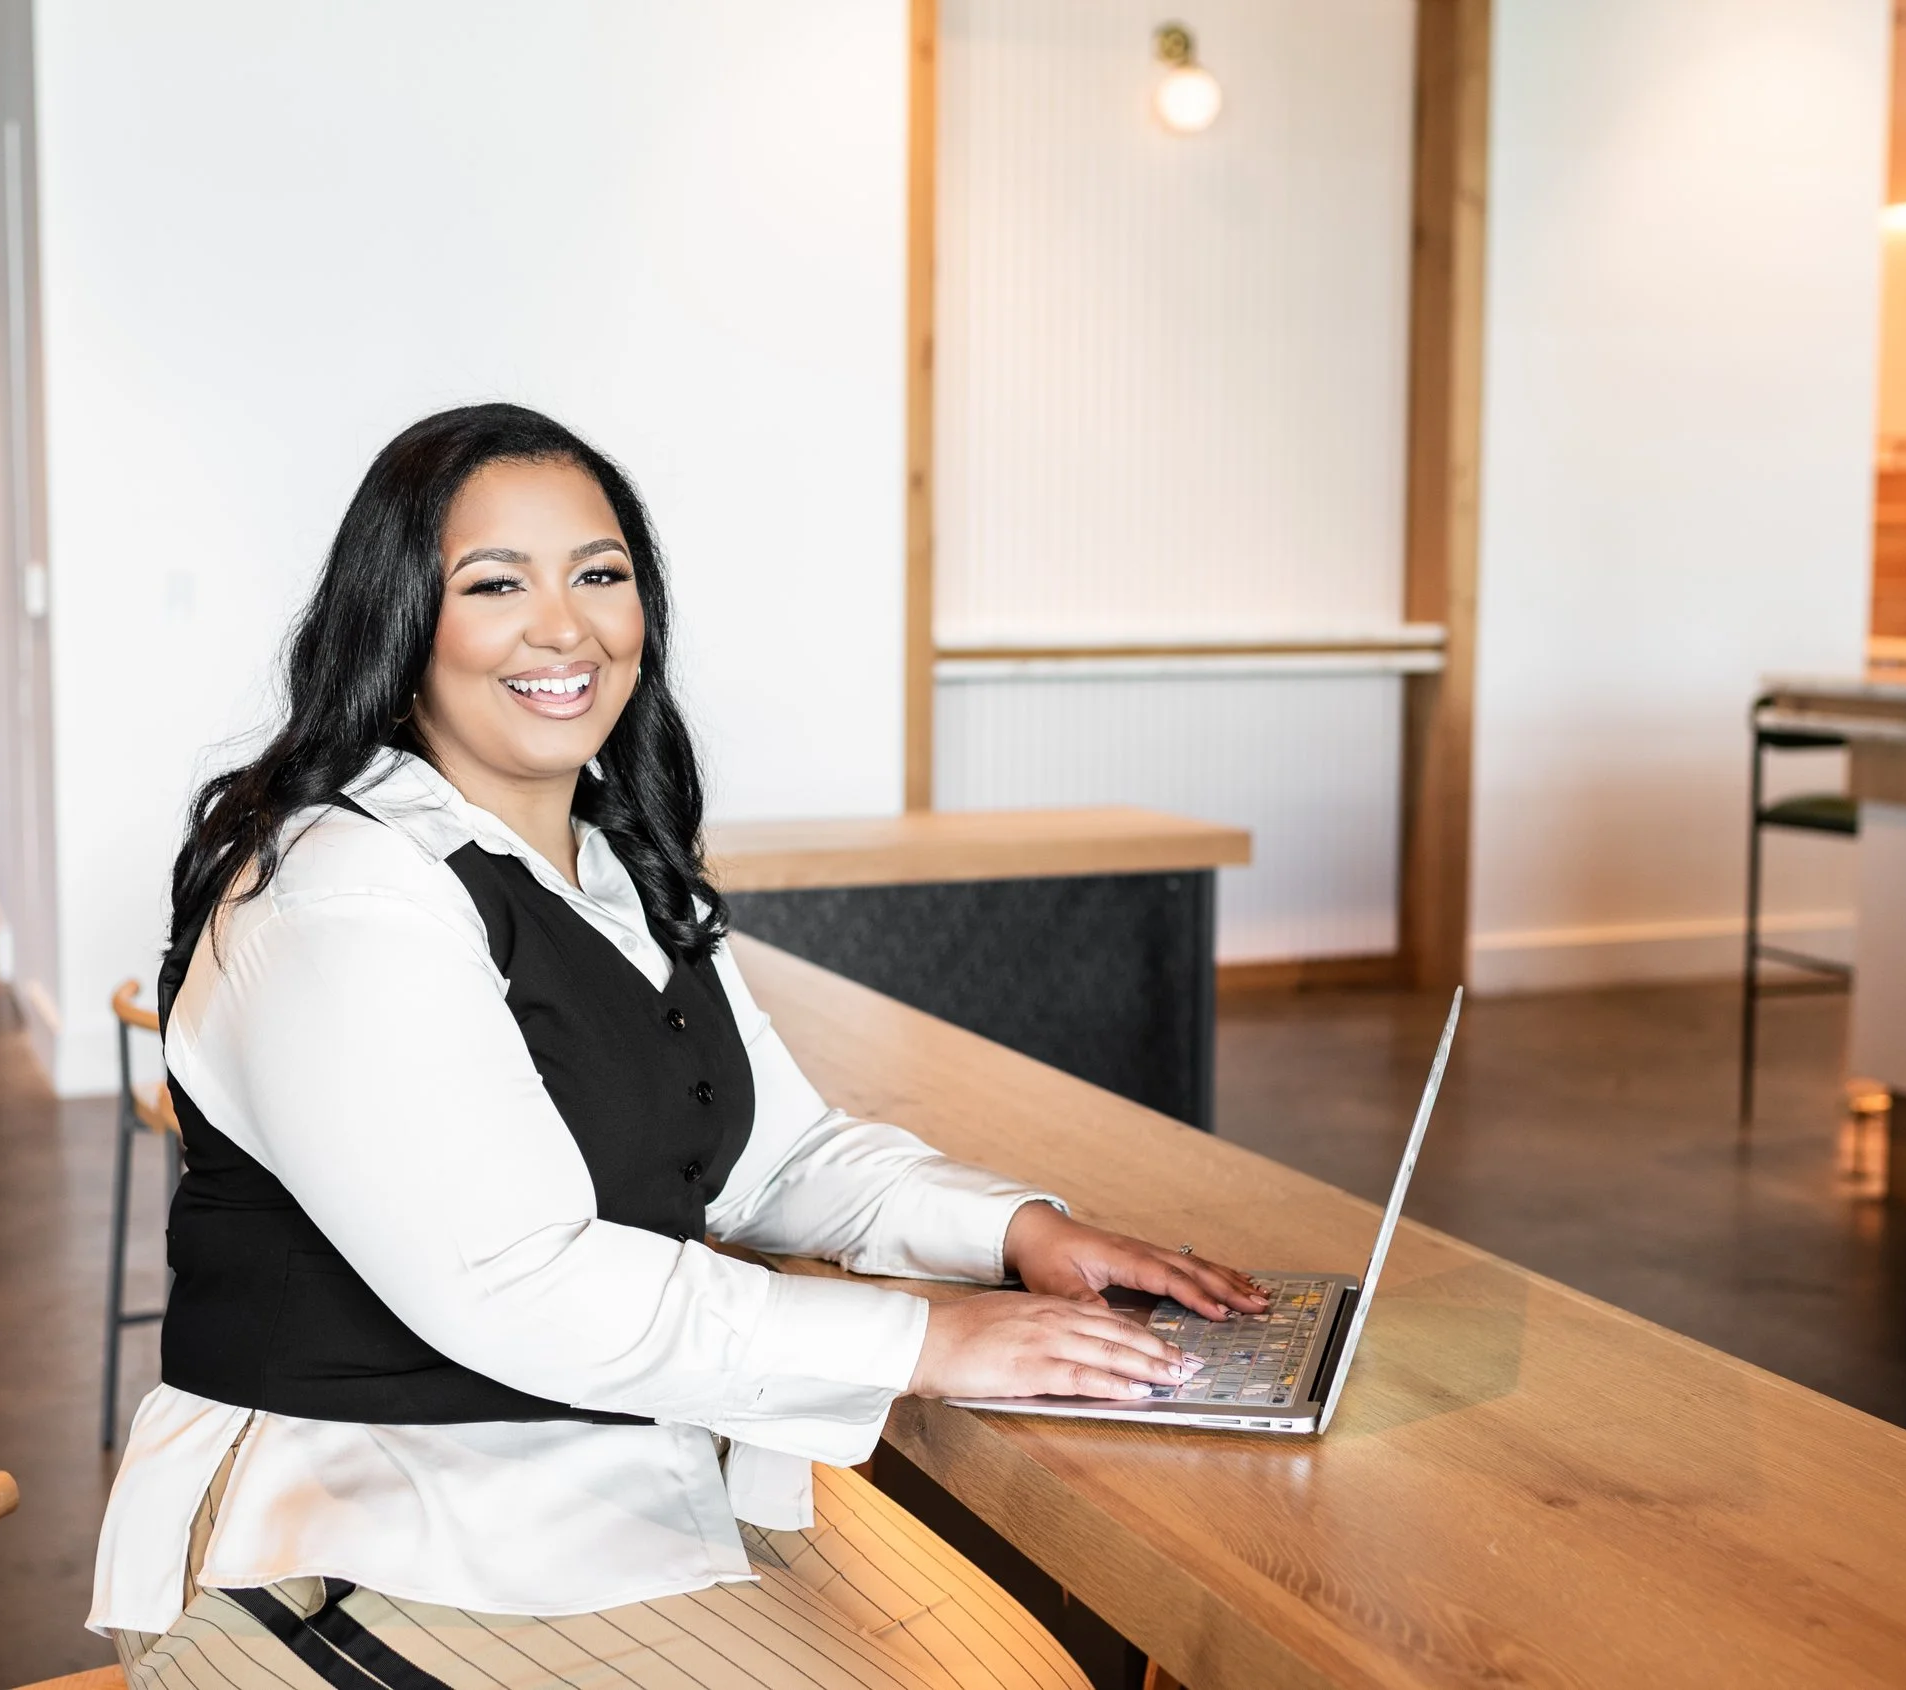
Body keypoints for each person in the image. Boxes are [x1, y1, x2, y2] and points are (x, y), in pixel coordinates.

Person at [90, 403, 1267, 1690]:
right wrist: (926, 1341)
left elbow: (770, 1156)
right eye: (495, 584)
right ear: (400, 624)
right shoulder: (341, 889)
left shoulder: (606, 860)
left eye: (601, 575)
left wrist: (1017, 1234)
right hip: (363, 1522)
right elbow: (518, 1279)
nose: (565, 626)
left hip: (605, 1484)